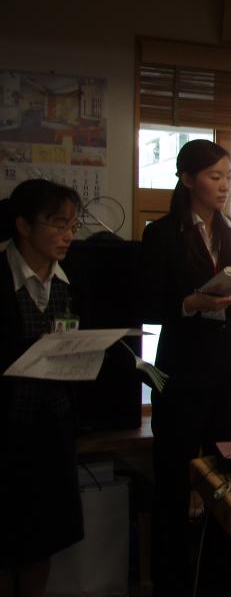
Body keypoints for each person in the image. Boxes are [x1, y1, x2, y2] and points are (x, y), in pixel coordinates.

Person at [140, 139, 231, 596]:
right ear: (188, 179)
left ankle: (219, 584)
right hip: (182, 369)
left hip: (229, 369)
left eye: (228, 176)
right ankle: (170, 584)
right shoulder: (162, 233)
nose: (224, 185)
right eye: (214, 177)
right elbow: (149, 304)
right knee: (173, 478)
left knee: (226, 480)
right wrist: (190, 302)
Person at [0, 179, 84, 597]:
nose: (67, 235)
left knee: (42, 539)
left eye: (72, 225)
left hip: (51, 430)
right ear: (23, 225)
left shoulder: (71, 280)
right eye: (57, 224)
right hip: (4, 431)